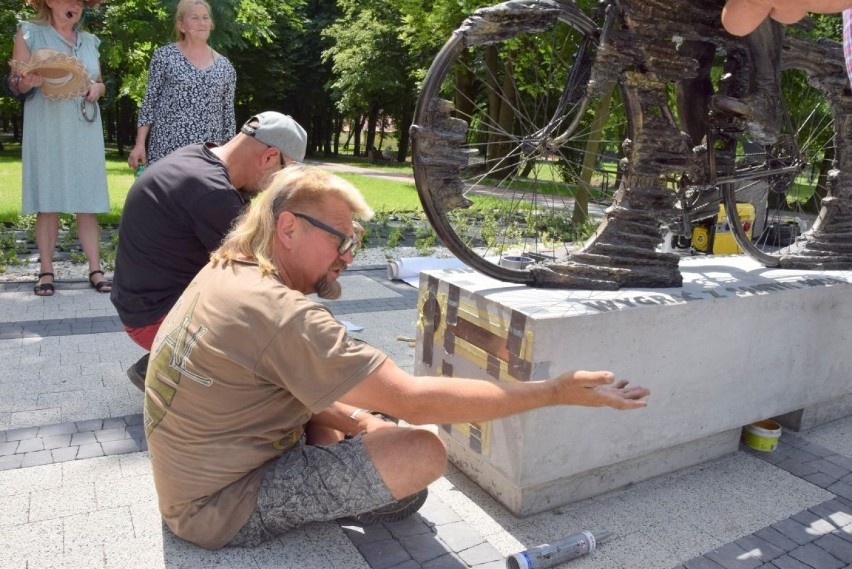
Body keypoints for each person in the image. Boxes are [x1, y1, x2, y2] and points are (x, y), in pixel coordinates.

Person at [142, 164, 652, 551]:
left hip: (196, 474)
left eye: (355, 241)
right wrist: (554, 391)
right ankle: (330, 447)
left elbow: (289, 380)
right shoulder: (282, 314)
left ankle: (334, 438)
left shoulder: (228, 270)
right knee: (420, 458)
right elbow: (414, 400)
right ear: (289, 228)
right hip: (214, 508)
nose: (348, 256)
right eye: (342, 239)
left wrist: (362, 420)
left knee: (376, 426)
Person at [110, 111, 307, 391]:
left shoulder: (196, 157)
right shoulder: (213, 193)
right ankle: (172, 363)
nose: (276, 186)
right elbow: (266, 273)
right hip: (156, 320)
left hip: (140, 306)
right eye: (283, 175)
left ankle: (175, 358)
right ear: (270, 156)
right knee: (276, 352)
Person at [8, 0, 112, 297]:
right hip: (47, 127)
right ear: (50, 2)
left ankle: (95, 268)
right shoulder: (29, 33)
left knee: (88, 200)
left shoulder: (90, 41)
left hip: (84, 126)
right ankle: (45, 270)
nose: (75, 5)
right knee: (48, 200)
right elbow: (15, 82)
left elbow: (100, 80)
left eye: (80, 2)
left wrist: (99, 88)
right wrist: (28, 82)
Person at [127, 0, 236, 170]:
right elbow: (149, 103)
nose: (202, 23)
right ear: (181, 25)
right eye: (195, 18)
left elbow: (228, 118)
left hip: (207, 156)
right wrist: (140, 144)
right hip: (167, 151)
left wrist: (230, 156)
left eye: (205, 18)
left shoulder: (225, 67)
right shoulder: (164, 57)